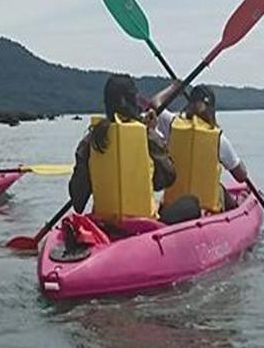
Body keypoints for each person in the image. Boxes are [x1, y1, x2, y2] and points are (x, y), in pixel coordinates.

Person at [68, 74, 163, 231]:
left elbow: (78, 201)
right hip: (144, 225)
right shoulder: (148, 136)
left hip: (104, 225)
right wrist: (153, 132)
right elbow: (163, 181)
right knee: (189, 204)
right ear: (131, 101)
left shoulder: (91, 140)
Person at [149, 82, 250, 214]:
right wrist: (237, 162)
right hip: (205, 210)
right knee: (218, 188)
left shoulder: (172, 124)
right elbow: (241, 176)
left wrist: (173, 88)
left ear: (189, 105)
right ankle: (234, 208)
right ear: (211, 109)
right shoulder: (219, 139)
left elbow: (155, 102)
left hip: (173, 205)